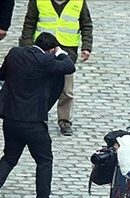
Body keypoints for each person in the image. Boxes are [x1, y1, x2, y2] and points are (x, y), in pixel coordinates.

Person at [0, 32, 75, 198]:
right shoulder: (46, 61)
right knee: (44, 161)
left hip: (11, 119)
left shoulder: (15, 54)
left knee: (9, 158)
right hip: (33, 122)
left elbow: (2, 74)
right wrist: (60, 52)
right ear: (50, 50)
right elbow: (69, 66)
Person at [20, 0, 92, 136]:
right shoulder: (39, 1)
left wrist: (86, 47)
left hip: (67, 51)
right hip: (42, 50)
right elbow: (29, 23)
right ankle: (37, 116)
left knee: (67, 89)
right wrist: (27, 48)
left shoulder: (78, 2)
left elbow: (86, 24)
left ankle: (65, 121)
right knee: (39, 86)